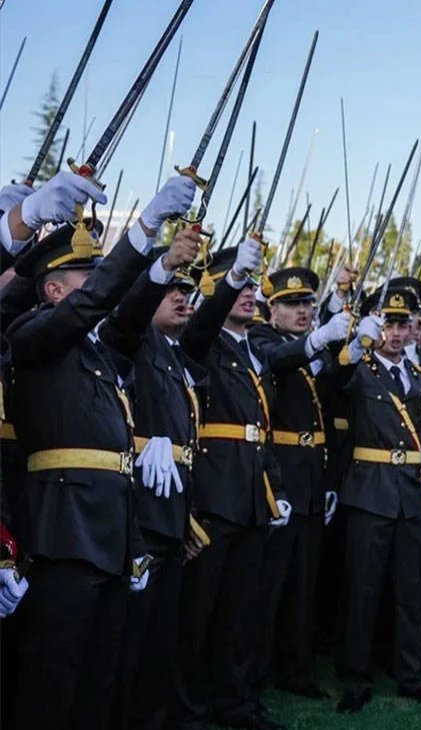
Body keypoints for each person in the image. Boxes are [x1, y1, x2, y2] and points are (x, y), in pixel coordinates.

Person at [6, 172, 194, 729]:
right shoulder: (32, 334)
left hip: (111, 531)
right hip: (64, 530)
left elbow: (128, 315)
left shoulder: (100, 351)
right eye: (84, 278)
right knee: (53, 678)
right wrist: (140, 233)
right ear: (54, 289)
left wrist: (158, 264)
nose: (97, 288)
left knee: (100, 677)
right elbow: (93, 308)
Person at [176, 238, 293, 729]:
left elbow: (262, 430)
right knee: (199, 614)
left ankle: (236, 701)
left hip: (251, 496)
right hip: (215, 494)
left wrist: (275, 488)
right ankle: (190, 709)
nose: (247, 294)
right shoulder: (201, 340)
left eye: (249, 285)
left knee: (241, 611)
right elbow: (201, 323)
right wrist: (228, 283)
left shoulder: (252, 351)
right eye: (237, 285)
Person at [100, 233, 208, 730]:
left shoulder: (173, 354)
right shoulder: (136, 341)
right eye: (171, 291)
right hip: (139, 512)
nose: (183, 298)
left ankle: (155, 716)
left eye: (188, 291)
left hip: (170, 511)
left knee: (160, 633)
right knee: (130, 638)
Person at [335, 286, 421, 713]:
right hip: (371, 490)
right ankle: (354, 677)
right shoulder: (359, 369)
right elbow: (333, 381)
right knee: (363, 591)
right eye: (388, 323)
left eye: (403, 324)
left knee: (411, 591)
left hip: (411, 493)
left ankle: (411, 675)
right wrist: (353, 343)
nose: (396, 332)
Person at [249, 266, 351, 701]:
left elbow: (335, 391)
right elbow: (281, 359)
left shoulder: (314, 348)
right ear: (272, 311)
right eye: (292, 305)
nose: (303, 311)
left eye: (308, 303)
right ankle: (256, 671)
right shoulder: (263, 339)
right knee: (269, 584)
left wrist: (353, 345)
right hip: (280, 475)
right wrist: (320, 338)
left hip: (311, 475)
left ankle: (297, 668)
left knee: (304, 584)